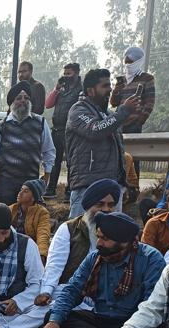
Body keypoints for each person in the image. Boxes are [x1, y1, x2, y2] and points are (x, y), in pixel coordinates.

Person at [41, 212, 164, 328]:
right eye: (98, 237)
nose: (99, 243)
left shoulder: (151, 259)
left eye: (105, 239)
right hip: (99, 319)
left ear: (124, 241)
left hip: (131, 322)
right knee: (52, 317)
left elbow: (151, 306)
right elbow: (72, 290)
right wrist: (54, 321)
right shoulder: (96, 257)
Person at [65, 69, 140, 218]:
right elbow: (95, 129)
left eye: (110, 85)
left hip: (112, 190)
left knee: (111, 238)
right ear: (91, 91)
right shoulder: (77, 111)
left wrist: (121, 184)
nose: (110, 89)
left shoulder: (110, 115)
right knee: (81, 236)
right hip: (86, 187)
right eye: (105, 86)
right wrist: (123, 111)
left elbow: (119, 150)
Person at [37, 178, 120, 305]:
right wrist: (46, 292)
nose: (106, 209)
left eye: (111, 205)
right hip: (69, 291)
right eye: (100, 204)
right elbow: (55, 266)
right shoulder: (69, 229)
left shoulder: (120, 233)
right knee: (50, 309)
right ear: (89, 205)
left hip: (104, 296)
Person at [0, 82, 55, 205]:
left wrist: (47, 175)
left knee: (30, 220)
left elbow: (49, 151)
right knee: (6, 219)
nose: (23, 101)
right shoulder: (2, 126)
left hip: (31, 184)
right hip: (5, 184)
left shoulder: (40, 123)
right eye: (19, 98)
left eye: (26, 98)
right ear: (12, 102)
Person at [45, 63, 82, 198]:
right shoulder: (62, 89)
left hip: (71, 131)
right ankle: (51, 189)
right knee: (55, 161)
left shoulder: (80, 90)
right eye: (64, 73)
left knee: (72, 162)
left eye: (69, 73)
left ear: (76, 73)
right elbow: (48, 104)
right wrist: (56, 89)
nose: (66, 76)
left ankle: (70, 190)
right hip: (57, 129)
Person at [111, 47, 156, 138]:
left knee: (131, 150)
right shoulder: (122, 80)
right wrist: (115, 91)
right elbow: (114, 103)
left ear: (139, 61)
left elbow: (150, 103)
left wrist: (139, 121)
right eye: (126, 62)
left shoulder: (147, 78)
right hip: (119, 122)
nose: (128, 65)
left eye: (131, 62)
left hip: (134, 125)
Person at [9, 179, 52, 260]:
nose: (20, 193)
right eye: (21, 190)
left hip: (29, 250)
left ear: (33, 197)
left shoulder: (42, 213)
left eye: (25, 191)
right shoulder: (12, 209)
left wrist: (41, 255)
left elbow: (43, 234)